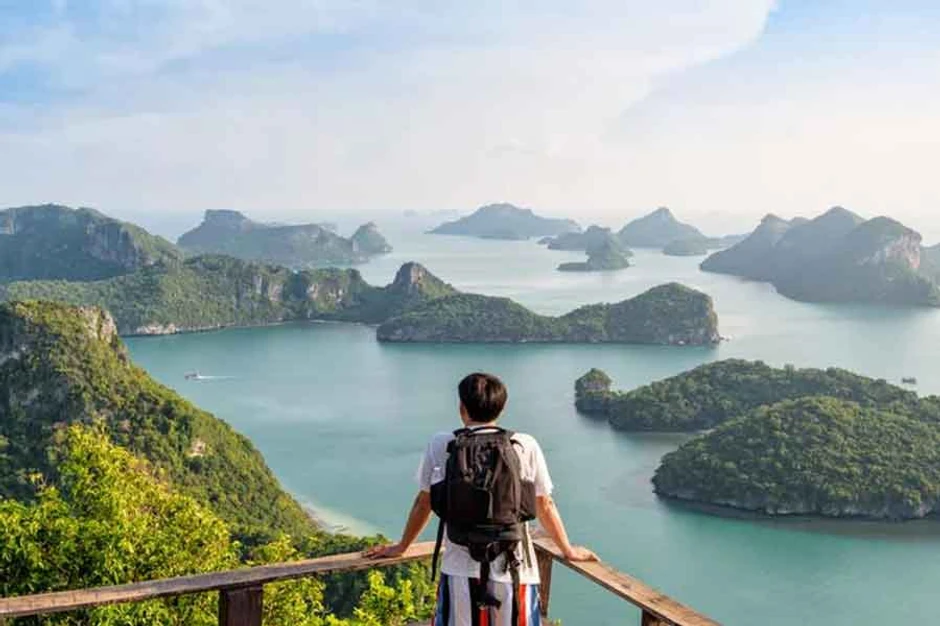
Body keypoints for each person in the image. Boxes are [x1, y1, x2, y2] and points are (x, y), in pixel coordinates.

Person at [365, 372, 597, 625]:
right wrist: (568, 550)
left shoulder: (442, 444)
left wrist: (402, 547)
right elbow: (545, 504)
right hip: (515, 569)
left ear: (462, 407)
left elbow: (424, 503)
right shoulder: (524, 444)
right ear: (502, 408)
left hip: (459, 570)